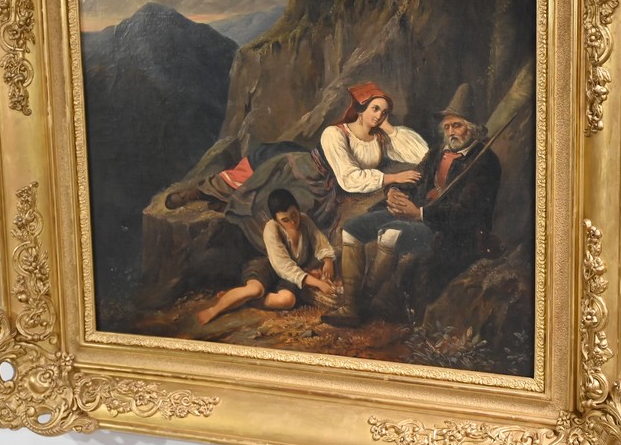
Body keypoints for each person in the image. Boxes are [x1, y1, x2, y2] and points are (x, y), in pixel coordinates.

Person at [169, 82, 429, 254]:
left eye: (384, 112)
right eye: (375, 109)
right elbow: (348, 178)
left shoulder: (381, 138)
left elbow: (422, 153)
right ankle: (202, 192)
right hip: (306, 176)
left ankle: (219, 200)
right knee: (258, 195)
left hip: (330, 191)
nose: (379, 115)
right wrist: (392, 177)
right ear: (361, 109)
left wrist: (388, 128)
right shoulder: (335, 134)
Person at [322, 83, 502, 327]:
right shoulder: (438, 152)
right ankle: (350, 306)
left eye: (457, 125)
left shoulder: (484, 162)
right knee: (352, 228)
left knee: (390, 234)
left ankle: (363, 301)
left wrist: (420, 213)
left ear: (473, 128)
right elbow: (416, 179)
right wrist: (395, 192)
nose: (451, 132)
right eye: (447, 127)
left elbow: (466, 212)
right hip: (415, 213)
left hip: (448, 229)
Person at [197, 189, 338, 325]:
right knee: (255, 290)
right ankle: (215, 309)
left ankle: (244, 300)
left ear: (298, 209)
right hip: (268, 266)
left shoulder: (305, 221)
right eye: (285, 219)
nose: (292, 222)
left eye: (294, 215)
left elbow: (320, 242)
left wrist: (327, 261)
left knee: (287, 300)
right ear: (276, 220)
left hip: (289, 274)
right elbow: (283, 266)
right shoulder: (272, 228)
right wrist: (319, 283)